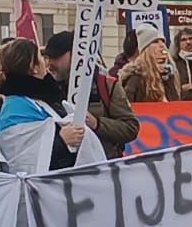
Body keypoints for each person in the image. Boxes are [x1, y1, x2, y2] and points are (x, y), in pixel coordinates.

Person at [0, 38, 107, 174]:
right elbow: (21, 162)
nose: (45, 62)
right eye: (40, 57)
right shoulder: (14, 109)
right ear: (33, 68)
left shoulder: (43, 98)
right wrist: (61, 141)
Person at [43, 31, 141, 160]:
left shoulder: (106, 85)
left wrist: (97, 124)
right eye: (47, 58)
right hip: (64, 169)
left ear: (75, 54)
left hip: (102, 166)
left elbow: (130, 128)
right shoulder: (46, 88)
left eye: (56, 57)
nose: (50, 63)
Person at [120, 23, 175, 103]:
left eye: (163, 41)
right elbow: (126, 108)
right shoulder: (136, 78)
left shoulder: (170, 76)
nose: (162, 45)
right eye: (155, 42)